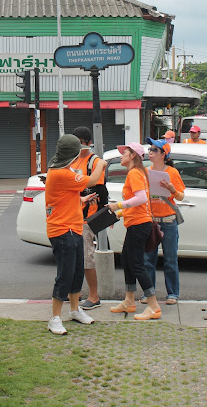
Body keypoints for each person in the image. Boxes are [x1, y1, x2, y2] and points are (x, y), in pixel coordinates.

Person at [45, 134, 107, 335]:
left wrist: (81, 200)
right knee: (65, 274)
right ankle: (55, 318)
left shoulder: (63, 171)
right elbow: (94, 179)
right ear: (72, 156)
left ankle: (74, 310)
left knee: (77, 272)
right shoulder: (61, 173)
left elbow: (63, 197)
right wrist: (101, 163)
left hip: (74, 227)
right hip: (62, 230)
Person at [107, 142, 161, 321]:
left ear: (133, 156)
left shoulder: (134, 173)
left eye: (125, 152)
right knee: (127, 260)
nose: (121, 155)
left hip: (139, 224)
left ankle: (153, 306)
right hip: (136, 223)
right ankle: (129, 301)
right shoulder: (137, 173)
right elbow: (139, 203)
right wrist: (119, 213)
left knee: (136, 263)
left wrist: (118, 206)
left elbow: (141, 198)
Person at [142, 137, 185, 305]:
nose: (150, 152)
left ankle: (173, 294)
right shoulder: (146, 171)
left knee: (170, 260)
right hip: (151, 221)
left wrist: (172, 189)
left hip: (168, 221)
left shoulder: (172, 173)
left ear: (163, 154)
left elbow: (181, 196)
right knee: (148, 260)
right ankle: (149, 293)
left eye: (154, 150)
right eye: (150, 149)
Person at [71, 126, 108, 310]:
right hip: (73, 215)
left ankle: (94, 296)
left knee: (87, 258)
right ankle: (74, 293)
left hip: (87, 217)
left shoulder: (95, 162)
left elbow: (97, 188)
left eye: (79, 142)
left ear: (88, 143)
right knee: (74, 257)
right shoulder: (73, 160)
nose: (77, 146)